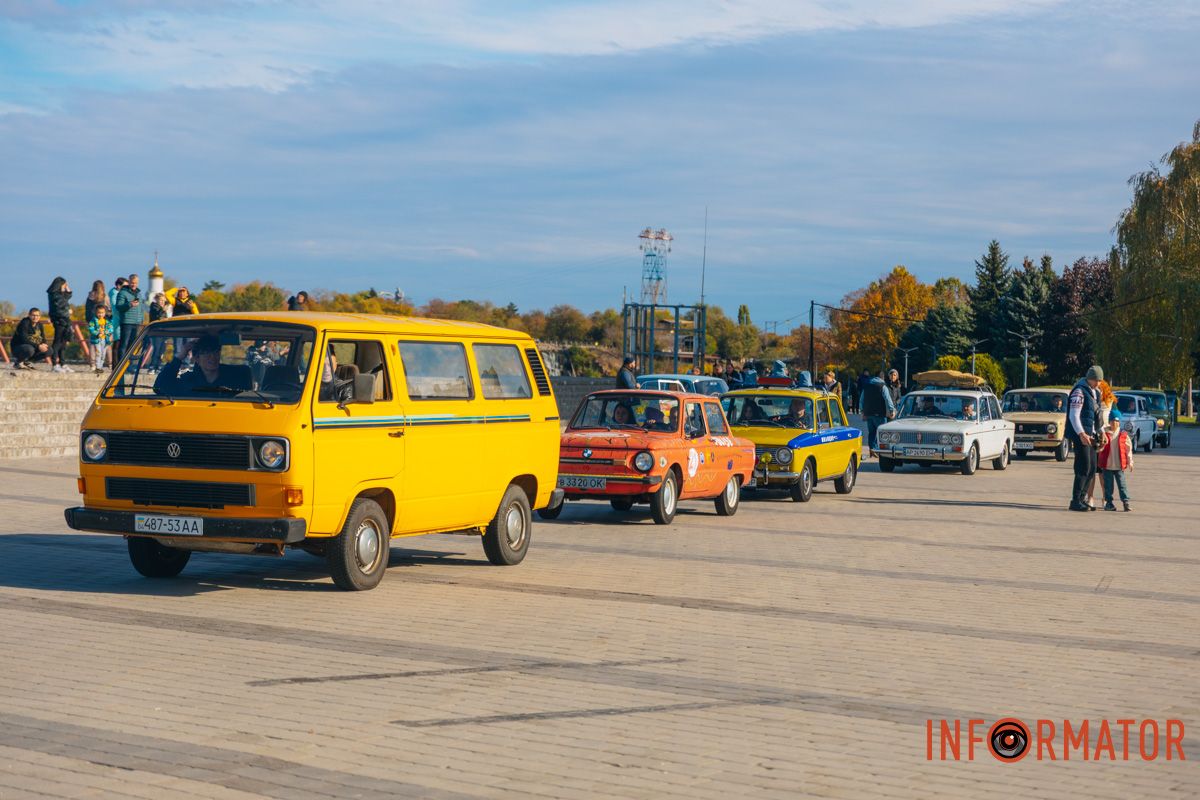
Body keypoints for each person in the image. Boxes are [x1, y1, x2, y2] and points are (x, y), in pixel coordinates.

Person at [154, 335, 249, 395]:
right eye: (207, 353)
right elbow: (160, 387)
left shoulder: (235, 378)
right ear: (196, 359)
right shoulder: (188, 381)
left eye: (216, 352)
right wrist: (180, 356)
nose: (212, 357)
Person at [1066, 365, 1104, 512]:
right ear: (1092, 379)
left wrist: (1101, 432)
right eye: (1098, 380)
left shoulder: (1095, 393)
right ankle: (1075, 500)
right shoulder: (1079, 392)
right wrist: (1081, 434)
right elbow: (1074, 416)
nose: (1100, 383)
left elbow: (1096, 416)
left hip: (1091, 435)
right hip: (1081, 436)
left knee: (1092, 467)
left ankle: (1082, 499)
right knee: (1083, 467)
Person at [1098, 411, 1133, 512]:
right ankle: (1109, 503)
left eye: (1117, 421)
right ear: (1109, 422)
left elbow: (1128, 449)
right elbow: (1098, 448)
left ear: (1120, 422)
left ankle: (1125, 502)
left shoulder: (1123, 435)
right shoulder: (1104, 433)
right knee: (1108, 486)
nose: (1115, 423)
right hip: (1107, 465)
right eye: (1113, 421)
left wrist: (1130, 462)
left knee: (1122, 485)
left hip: (1119, 466)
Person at [859, 372, 896, 454]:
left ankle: (871, 448)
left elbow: (861, 399)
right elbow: (888, 399)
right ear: (882, 378)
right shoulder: (883, 386)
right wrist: (891, 410)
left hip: (868, 413)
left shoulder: (866, 386)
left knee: (872, 432)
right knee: (881, 433)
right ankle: (877, 450)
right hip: (880, 414)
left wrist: (862, 411)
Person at [46, 276, 74, 372]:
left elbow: (67, 297)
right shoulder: (55, 295)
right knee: (57, 342)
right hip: (60, 320)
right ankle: (55, 364)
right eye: (64, 284)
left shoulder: (57, 294)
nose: (66, 286)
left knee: (63, 343)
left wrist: (68, 290)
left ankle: (63, 363)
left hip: (64, 320)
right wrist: (68, 311)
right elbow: (61, 305)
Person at [115, 274, 144, 361]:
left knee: (132, 345)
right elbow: (119, 307)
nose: (134, 284)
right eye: (132, 283)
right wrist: (129, 304)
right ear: (129, 282)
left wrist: (141, 319)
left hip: (136, 322)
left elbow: (141, 308)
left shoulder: (139, 293)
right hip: (127, 322)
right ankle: (120, 364)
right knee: (124, 344)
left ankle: (128, 364)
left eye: (136, 283)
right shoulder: (123, 293)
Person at [87, 306, 114, 374]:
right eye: (99, 313)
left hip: (105, 340)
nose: (100, 314)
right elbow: (91, 328)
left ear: (105, 313)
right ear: (96, 313)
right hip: (97, 339)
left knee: (103, 354)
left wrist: (106, 332)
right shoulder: (94, 320)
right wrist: (97, 333)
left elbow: (111, 329)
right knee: (98, 353)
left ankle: (100, 366)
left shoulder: (107, 321)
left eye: (102, 313)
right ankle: (98, 367)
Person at [108, 277, 127, 356]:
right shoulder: (115, 295)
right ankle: (116, 365)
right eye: (125, 286)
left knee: (120, 343)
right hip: (118, 320)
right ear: (119, 286)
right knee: (117, 343)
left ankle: (117, 364)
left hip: (120, 320)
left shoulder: (117, 294)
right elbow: (116, 308)